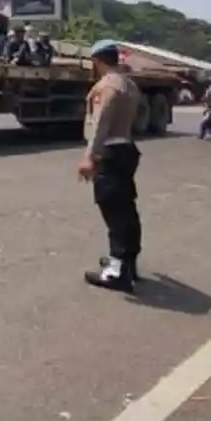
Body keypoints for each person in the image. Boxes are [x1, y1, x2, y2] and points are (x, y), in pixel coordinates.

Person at [79, 40, 143, 292]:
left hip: (111, 152)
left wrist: (90, 156)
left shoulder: (107, 86)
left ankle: (117, 273)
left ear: (97, 61)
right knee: (126, 209)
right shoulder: (129, 84)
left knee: (114, 212)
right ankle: (128, 264)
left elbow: (101, 123)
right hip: (126, 148)